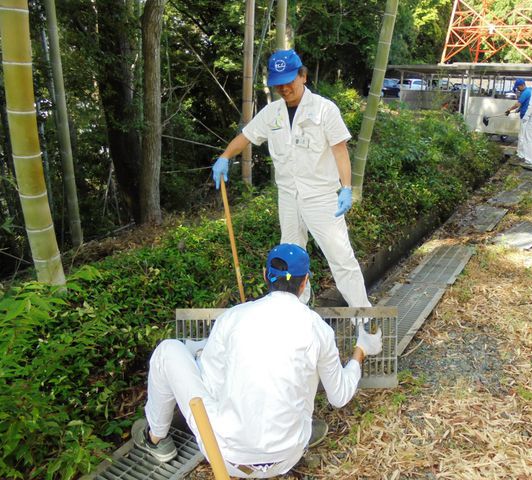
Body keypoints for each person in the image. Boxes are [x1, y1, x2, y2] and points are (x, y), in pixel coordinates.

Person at [132, 243, 383, 478]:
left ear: (265, 275)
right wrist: (361, 350)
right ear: (305, 282)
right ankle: (288, 438)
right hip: (288, 456)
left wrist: (204, 353)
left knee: (168, 350)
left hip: (224, 456)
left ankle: (156, 438)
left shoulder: (233, 318)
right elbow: (338, 396)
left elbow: (211, 380)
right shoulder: (318, 329)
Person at [211, 49, 370, 308]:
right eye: (279, 83)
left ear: (303, 76)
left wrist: (346, 188)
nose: (284, 88)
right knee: (291, 262)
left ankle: (365, 320)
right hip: (288, 196)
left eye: (289, 80)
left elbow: (340, 151)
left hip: (321, 197)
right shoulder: (272, 113)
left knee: (341, 259)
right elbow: (247, 136)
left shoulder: (324, 109)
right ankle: (297, 320)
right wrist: (225, 156)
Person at [504, 78, 532, 161]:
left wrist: (510, 110)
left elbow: (518, 103)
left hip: (525, 118)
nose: (518, 89)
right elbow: (526, 103)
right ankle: (524, 153)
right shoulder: (529, 91)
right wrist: (519, 109)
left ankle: (520, 154)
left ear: (522, 85)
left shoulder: (525, 92)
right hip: (528, 116)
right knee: (526, 136)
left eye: (518, 87)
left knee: (522, 136)